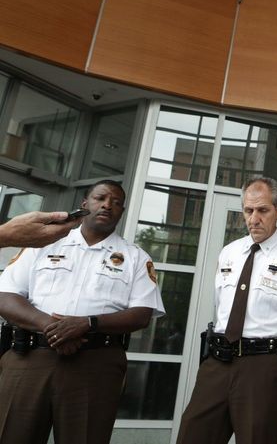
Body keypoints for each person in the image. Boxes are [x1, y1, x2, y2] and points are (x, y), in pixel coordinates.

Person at [0, 181, 165, 444]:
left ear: (122, 212)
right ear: (84, 203)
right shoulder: (42, 243)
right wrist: (50, 327)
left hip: (95, 364)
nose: (107, 205)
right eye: (100, 197)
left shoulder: (135, 257)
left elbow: (142, 314)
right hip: (31, 359)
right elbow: (5, 295)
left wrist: (88, 324)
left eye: (116, 202)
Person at [177, 176, 277, 444]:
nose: (254, 219)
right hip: (217, 362)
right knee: (192, 434)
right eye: (248, 211)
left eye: (262, 210)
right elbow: (221, 309)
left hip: (262, 366)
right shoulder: (229, 253)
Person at [0, 210, 81, 249]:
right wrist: (6, 235)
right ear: (84, 204)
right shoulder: (46, 240)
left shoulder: (43, 239)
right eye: (94, 198)